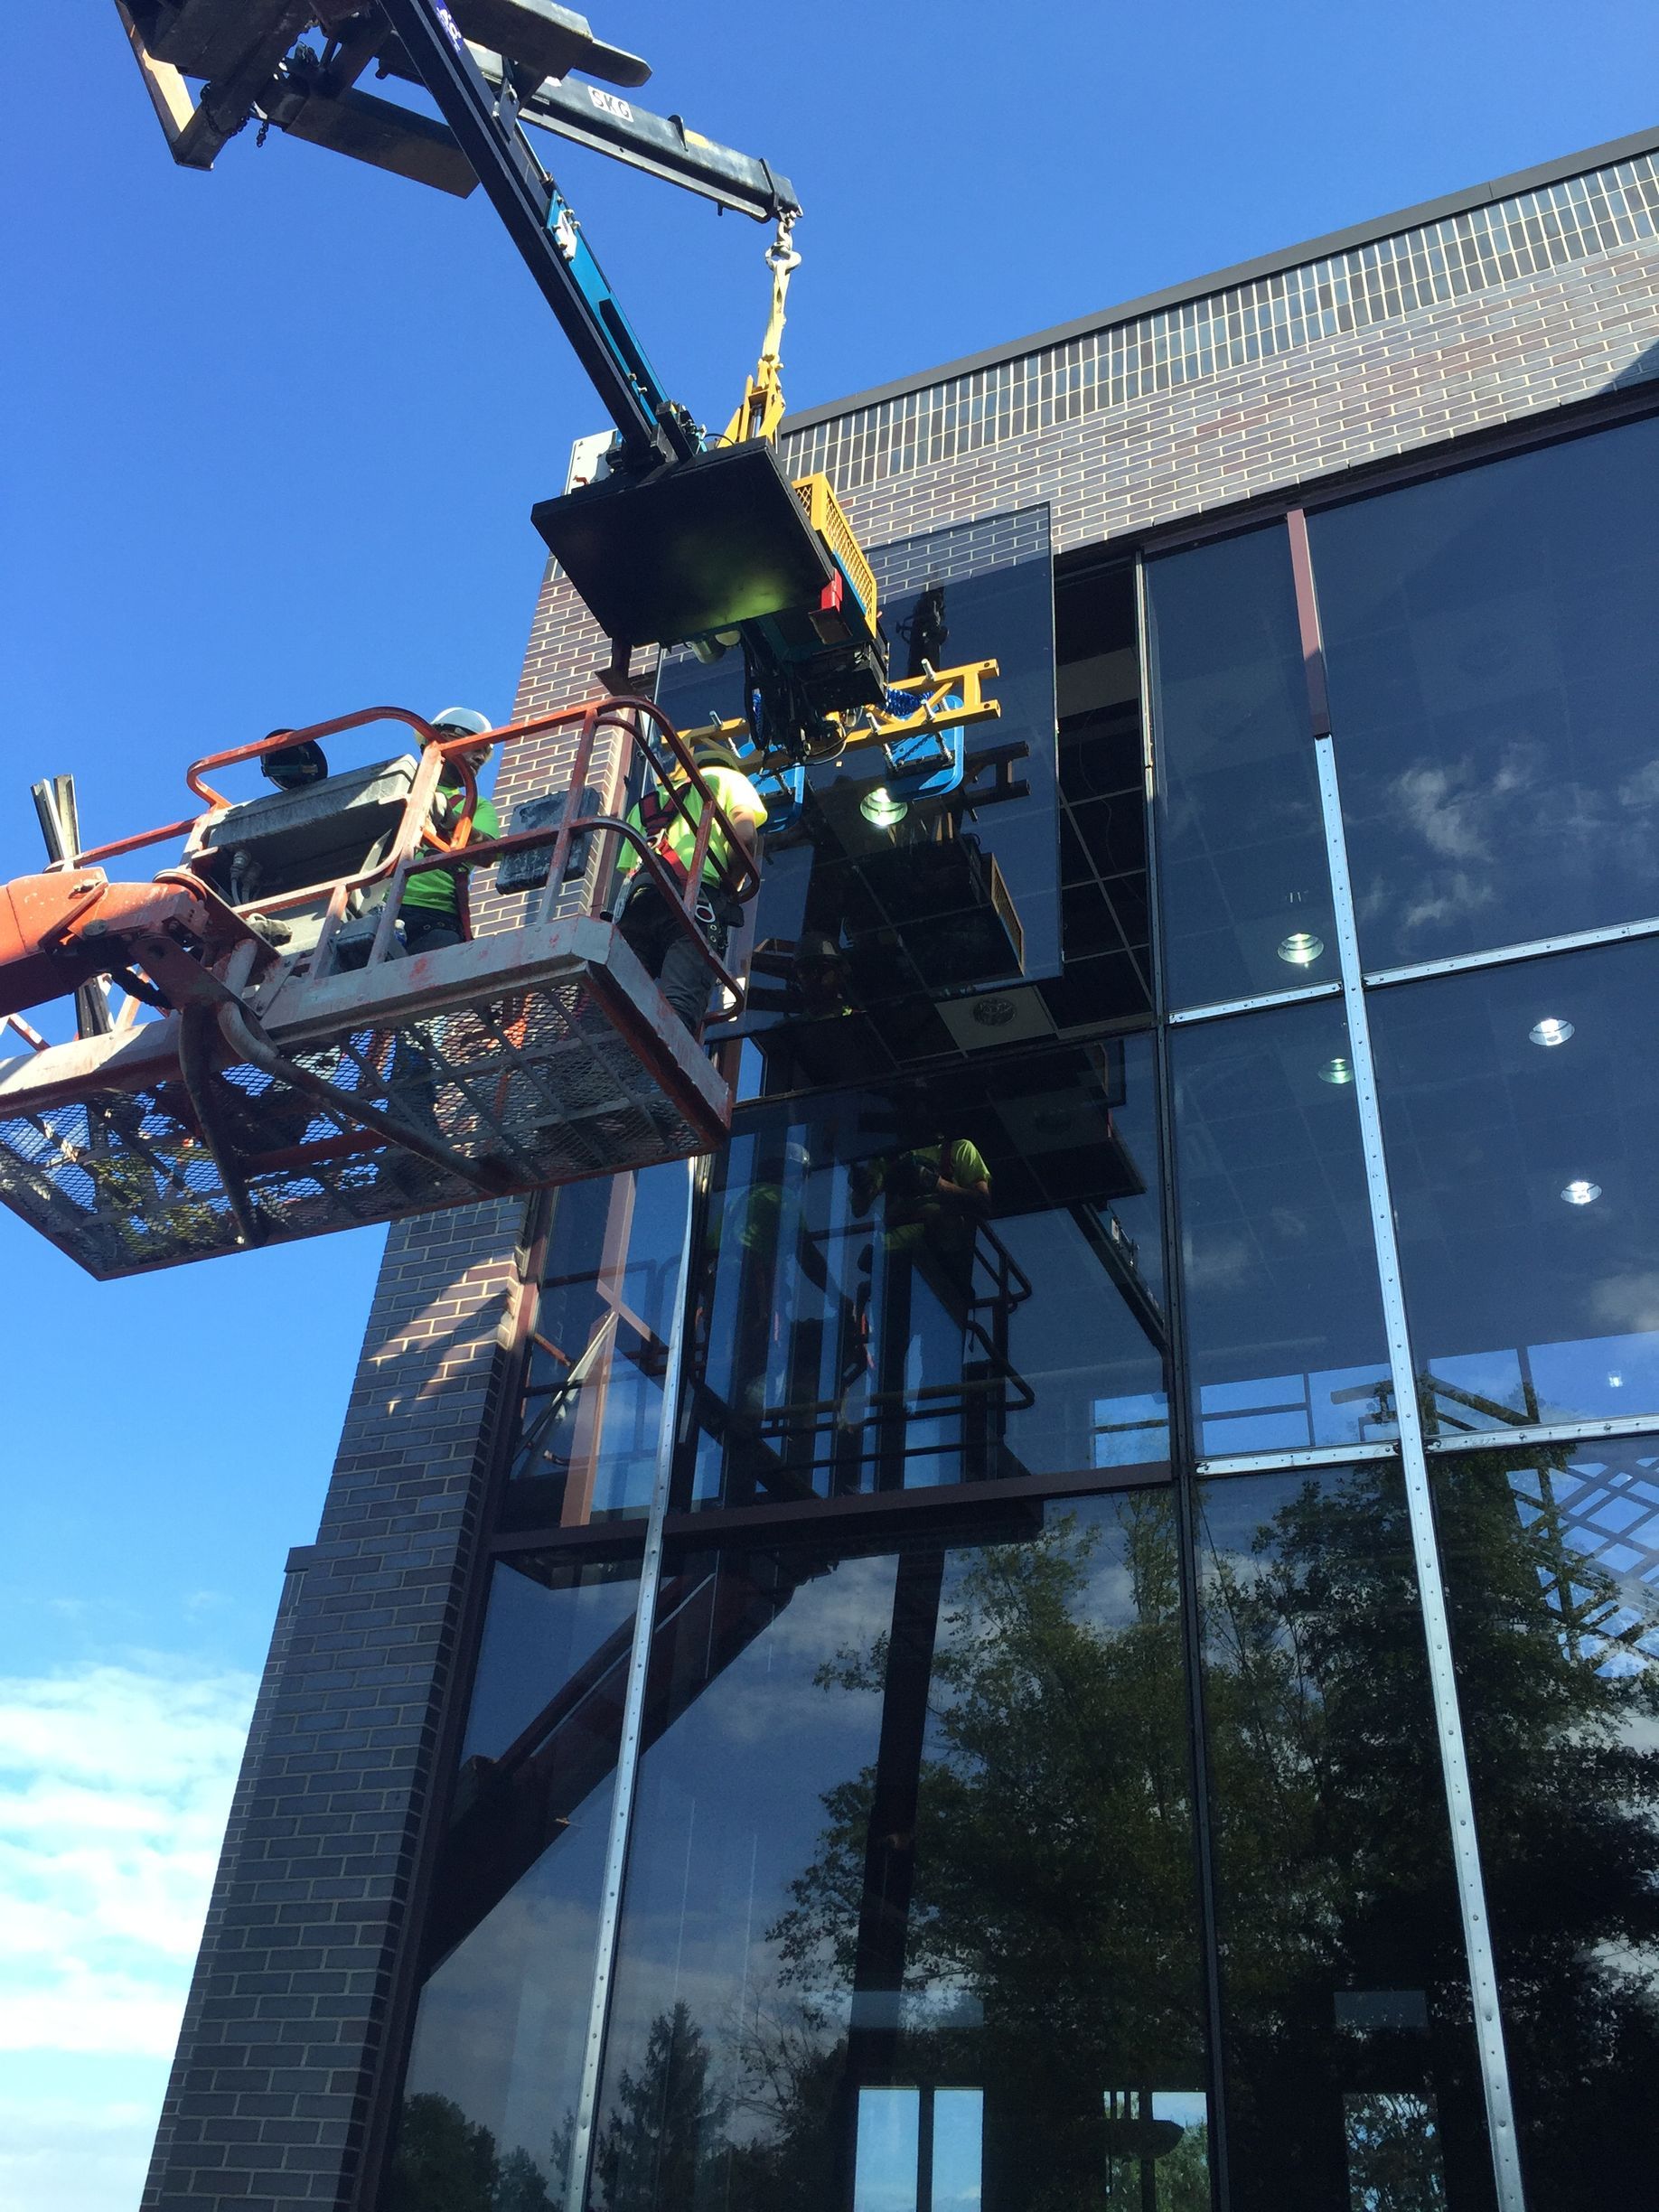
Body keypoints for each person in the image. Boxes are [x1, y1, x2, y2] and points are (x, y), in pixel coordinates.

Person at [614, 734, 767, 1035]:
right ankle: (659, 1069)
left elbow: (626, 873)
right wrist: (731, 890)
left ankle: (592, 1073)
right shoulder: (728, 780)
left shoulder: (646, 804)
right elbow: (746, 836)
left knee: (619, 1004)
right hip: (694, 904)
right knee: (678, 1009)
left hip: (638, 904)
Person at [399, 708, 501, 955]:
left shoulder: (474, 805)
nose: (480, 759)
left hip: (435, 917)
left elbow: (487, 852)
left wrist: (450, 819)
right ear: (444, 738)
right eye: (477, 748)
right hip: (373, 906)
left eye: (485, 755)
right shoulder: (398, 784)